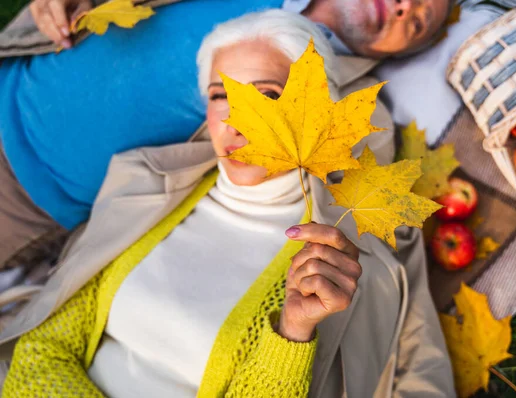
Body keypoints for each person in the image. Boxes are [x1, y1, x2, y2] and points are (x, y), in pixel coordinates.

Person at [0, 10, 454, 398]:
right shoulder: (141, 184)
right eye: (222, 95)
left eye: (267, 95)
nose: (239, 120)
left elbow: (416, 360)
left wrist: (293, 332)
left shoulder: (343, 251)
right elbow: (44, 347)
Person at [0, 0, 452, 271]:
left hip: (26, 198)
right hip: (13, 73)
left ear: (400, 55)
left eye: (415, 22)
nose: (402, 7)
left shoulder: (343, 110)